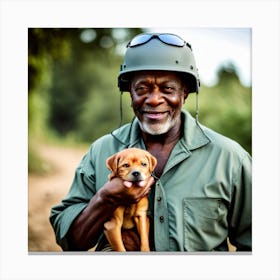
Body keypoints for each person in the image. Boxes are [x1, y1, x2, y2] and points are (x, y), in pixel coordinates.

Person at [50, 32, 252, 252]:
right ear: (130, 94)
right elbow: (70, 240)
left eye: (168, 89)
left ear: (185, 93)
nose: (154, 99)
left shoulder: (230, 158)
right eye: (142, 89)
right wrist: (105, 198)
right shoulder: (102, 151)